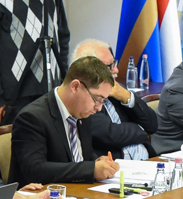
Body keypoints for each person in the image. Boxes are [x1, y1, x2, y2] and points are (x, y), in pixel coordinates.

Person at [9, 56, 121, 186]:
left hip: (78, 191)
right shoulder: (32, 118)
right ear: (75, 86)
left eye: (103, 101)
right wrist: (91, 169)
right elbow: (35, 171)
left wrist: (97, 162)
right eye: (97, 99)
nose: (99, 107)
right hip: (41, 195)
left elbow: (83, 156)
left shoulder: (83, 113)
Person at [73, 39, 158, 159]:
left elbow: (152, 124)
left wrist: (127, 97)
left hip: (147, 160)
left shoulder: (117, 89)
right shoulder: (81, 98)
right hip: (114, 165)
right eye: (110, 66)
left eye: (114, 63)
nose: (116, 70)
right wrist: (141, 129)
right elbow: (111, 134)